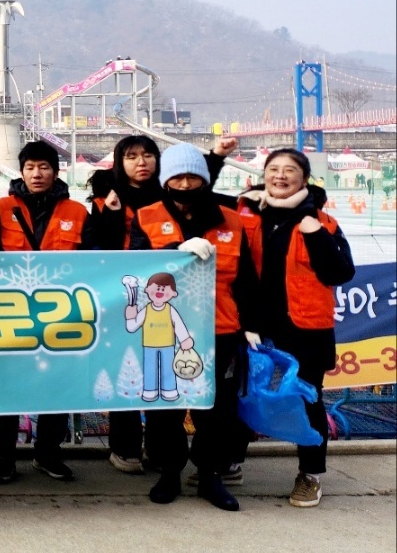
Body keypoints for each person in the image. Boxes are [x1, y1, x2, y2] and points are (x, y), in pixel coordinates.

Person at [85, 136, 233, 475]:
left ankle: (162, 453)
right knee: (127, 371)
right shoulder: (106, 199)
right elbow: (97, 249)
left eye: (148, 155)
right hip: (124, 294)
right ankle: (125, 446)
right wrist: (110, 215)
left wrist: (216, 157)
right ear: (119, 162)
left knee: (166, 382)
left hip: (178, 297)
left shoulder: (171, 194)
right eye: (132, 156)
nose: (142, 162)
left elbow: (195, 179)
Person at [128, 143, 259, 511]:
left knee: (216, 407)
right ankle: (168, 471)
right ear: (166, 180)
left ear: (204, 179)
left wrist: (251, 325)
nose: (185, 184)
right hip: (162, 329)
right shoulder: (146, 217)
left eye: (192, 176)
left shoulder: (231, 219)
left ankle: (210, 475)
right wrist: (176, 248)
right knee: (164, 406)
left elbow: (246, 280)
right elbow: (133, 265)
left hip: (221, 329)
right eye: (178, 177)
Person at [235, 148, 355, 508]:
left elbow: (340, 272)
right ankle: (230, 462)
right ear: (264, 175)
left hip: (306, 330)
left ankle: (310, 474)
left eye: (290, 170)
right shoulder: (246, 217)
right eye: (273, 169)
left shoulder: (324, 222)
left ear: (304, 179)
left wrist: (315, 233)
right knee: (240, 393)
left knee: (308, 398)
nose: (280, 175)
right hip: (252, 327)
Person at [0, 140, 87, 484]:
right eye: (30, 167)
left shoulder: (77, 212)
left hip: (61, 315)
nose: (37, 174)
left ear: (56, 171)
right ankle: (3, 453)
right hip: (10, 313)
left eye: (44, 167)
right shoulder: (2, 206)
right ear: (21, 172)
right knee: (6, 386)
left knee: (58, 386)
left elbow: (97, 260)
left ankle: (48, 452)